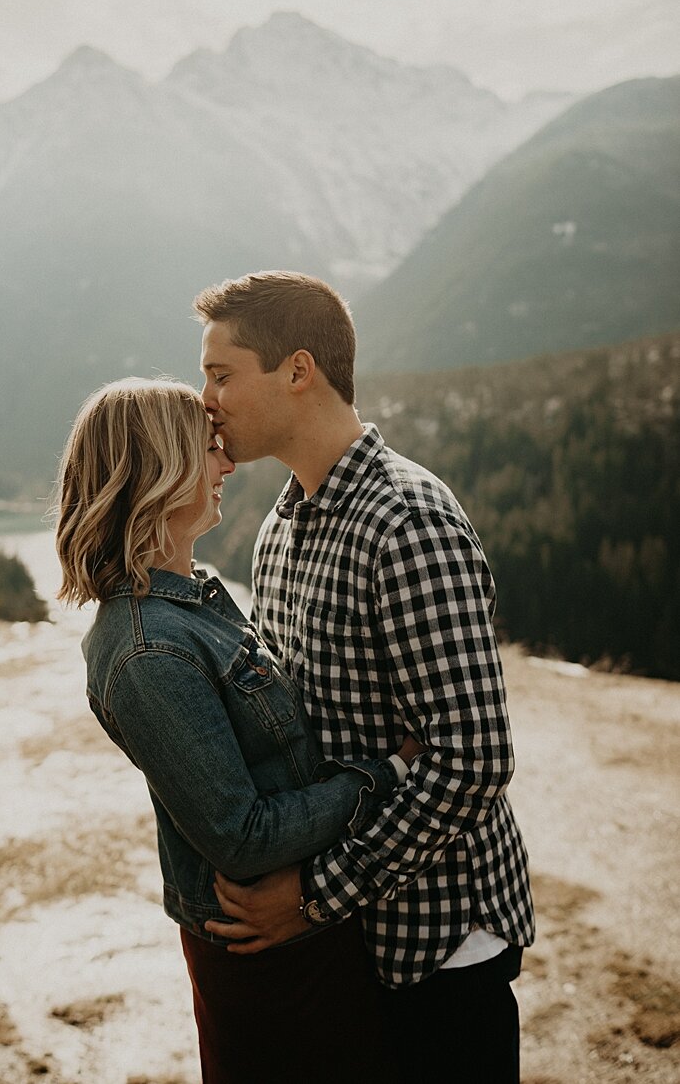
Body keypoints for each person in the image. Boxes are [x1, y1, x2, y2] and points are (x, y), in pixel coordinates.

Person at [194, 271, 535, 1084]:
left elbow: (474, 757)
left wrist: (313, 894)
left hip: (441, 948)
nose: (205, 399)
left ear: (298, 369)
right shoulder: (281, 525)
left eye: (220, 374)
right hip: (353, 949)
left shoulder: (406, 520)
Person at [54, 377, 419, 1084]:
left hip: (300, 937)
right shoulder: (145, 651)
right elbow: (241, 835)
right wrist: (384, 773)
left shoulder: (191, 598)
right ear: (158, 471)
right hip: (267, 959)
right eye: (208, 450)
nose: (226, 466)